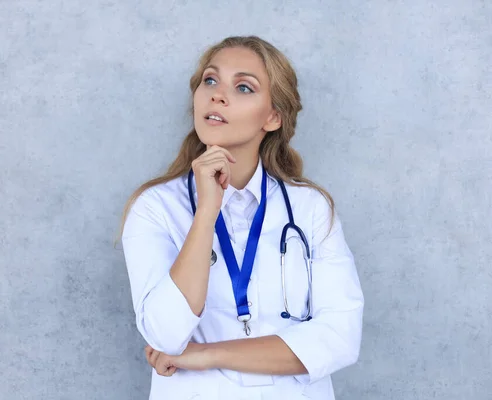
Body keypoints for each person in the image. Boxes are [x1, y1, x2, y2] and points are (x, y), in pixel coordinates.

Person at [119, 35, 364, 400]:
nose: (217, 94)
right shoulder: (155, 207)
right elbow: (165, 335)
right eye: (210, 80)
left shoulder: (311, 209)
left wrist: (207, 354)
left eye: (244, 87)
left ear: (273, 117)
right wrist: (206, 213)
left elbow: (340, 338)